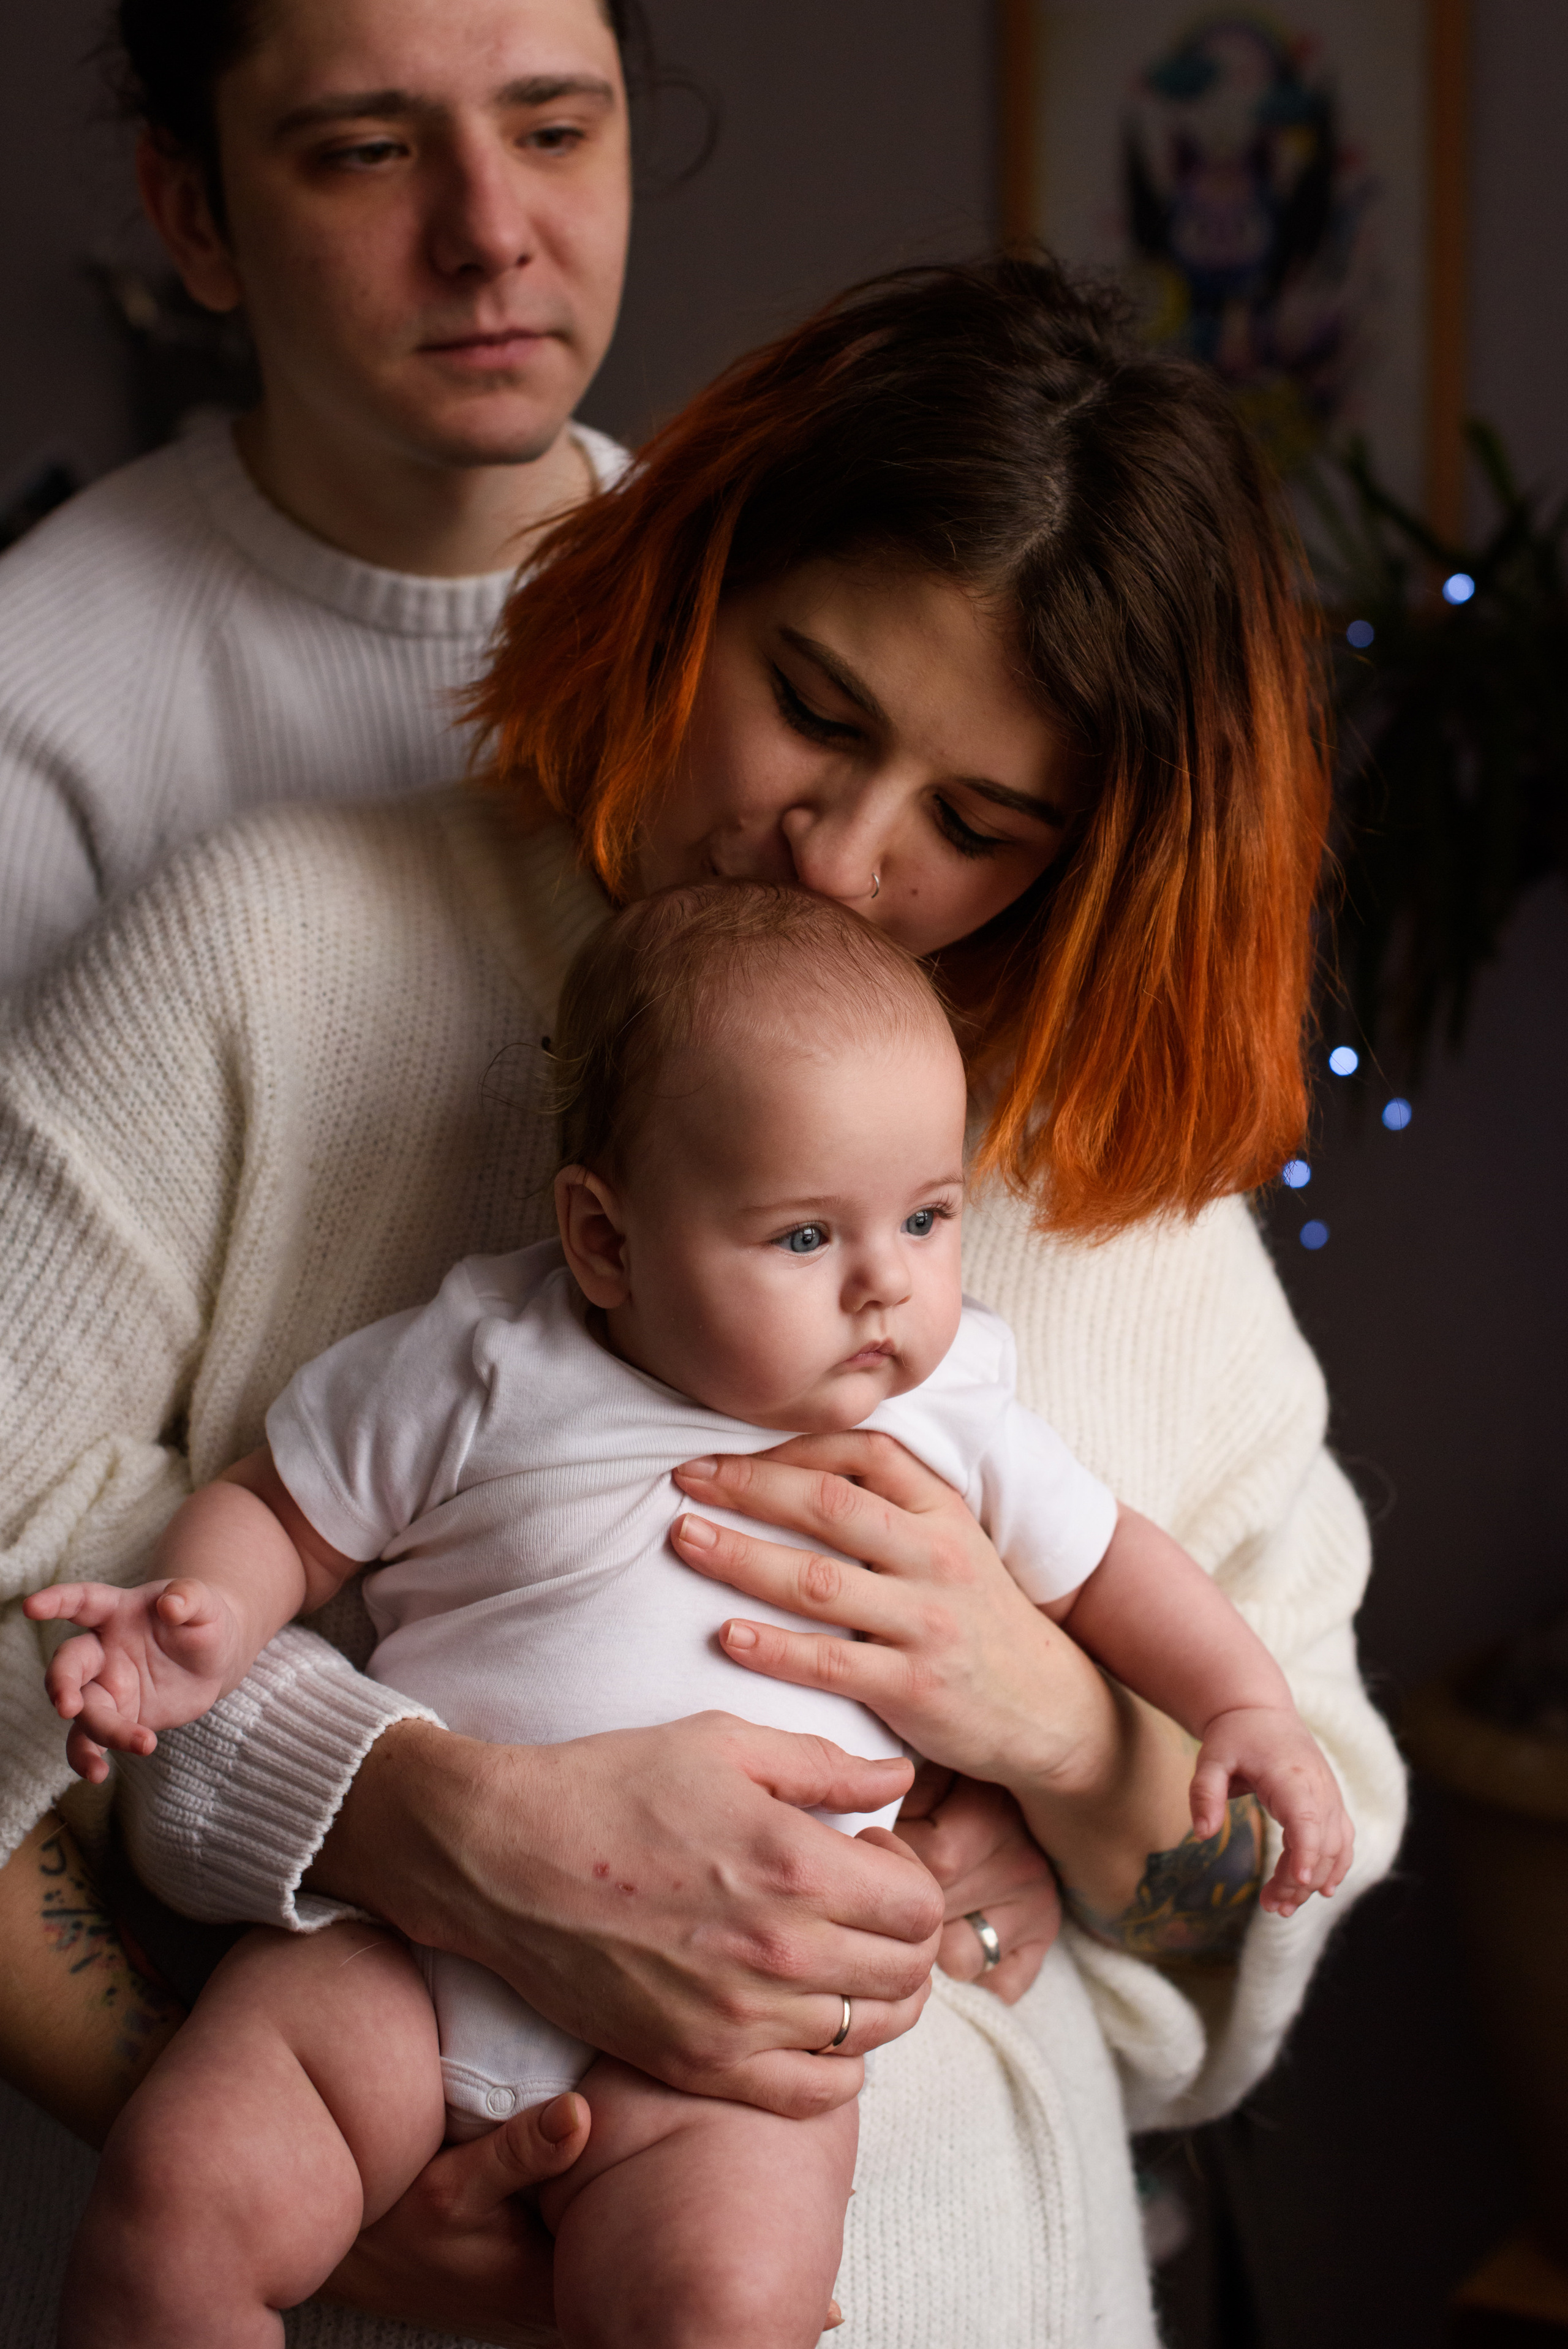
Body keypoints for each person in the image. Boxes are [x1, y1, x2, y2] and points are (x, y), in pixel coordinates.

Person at [0, 257, 1407, 2349]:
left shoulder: (1120, 1205)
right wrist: (415, 1811)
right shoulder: (271, 953)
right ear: (691, 573)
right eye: (817, 707)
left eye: (979, 823)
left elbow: (1267, 1863)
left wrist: (1050, 1732)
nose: (843, 854)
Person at [31, 883, 1352, 2347]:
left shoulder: (953, 1405)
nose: (885, 1286)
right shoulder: (485, 1353)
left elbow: (1115, 1567)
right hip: (396, 1958)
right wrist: (195, 1615)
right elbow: (283, 1509)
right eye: (803, 1237)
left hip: (740, 2047)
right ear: (604, 1242)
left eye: (926, 1216)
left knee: (721, 2304)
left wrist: (1241, 1708)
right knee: (176, 2208)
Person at [0, 0, 636, 991]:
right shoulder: (33, 695)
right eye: (369, 151)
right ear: (194, 217)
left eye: (553, 134)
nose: (491, 234)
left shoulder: (791, 632)